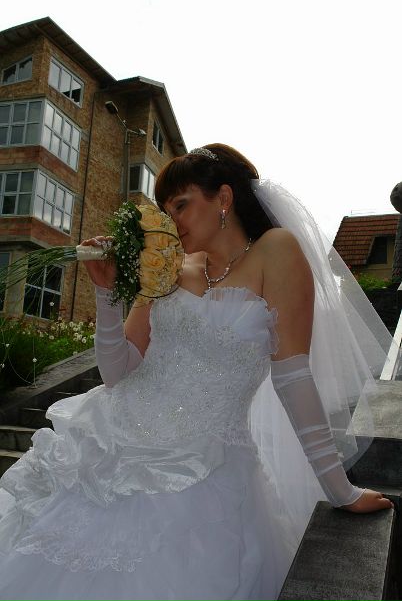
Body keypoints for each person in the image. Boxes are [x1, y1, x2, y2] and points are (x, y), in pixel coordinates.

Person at [0, 143, 394, 601]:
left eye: (181, 205)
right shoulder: (165, 267)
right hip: (108, 448)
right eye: (166, 210)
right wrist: (106, 295)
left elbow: (292, 377)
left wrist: (341, 491)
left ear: (223, 198)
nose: (172, 220)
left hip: (208, 471)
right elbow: (117, 372)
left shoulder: (275, 251)